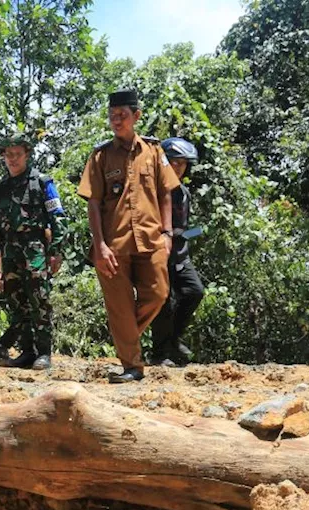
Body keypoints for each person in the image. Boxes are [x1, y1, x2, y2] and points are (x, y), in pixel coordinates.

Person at [78, 89, 178, 383]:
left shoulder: (155, 152)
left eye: (122, 115)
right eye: (112, 116)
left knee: (158, 294)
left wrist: (168, 233)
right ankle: (132, 365)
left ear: (136, 116)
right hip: (113, 245)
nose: (116, 121)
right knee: (119, 306)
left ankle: (125, 336)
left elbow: (165, 194)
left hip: (151, 239)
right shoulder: (100, 156)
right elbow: (93, 203)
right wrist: (100, 247)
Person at [0, 133, 65, 371]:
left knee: (39, 300)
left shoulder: (42, 182)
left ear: (27, 154)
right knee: (17, 303)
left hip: (36, 250)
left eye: (17, 154)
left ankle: (44, 353)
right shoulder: (0, 189)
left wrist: (56, 251)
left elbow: (58, 217)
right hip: (10, 253)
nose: (12, 159)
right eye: (8, 155)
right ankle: (27, 352)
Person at [150, 137, 205, 367]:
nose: (179, 168)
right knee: (164, 303)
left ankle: (174, 339)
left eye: (183, 164)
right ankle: (160, 354)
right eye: (175, 163)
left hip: (180, 255)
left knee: (195, 291)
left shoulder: (183, 193)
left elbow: (185, 228)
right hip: (159, 255)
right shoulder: (152, 191)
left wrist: (195, 232)